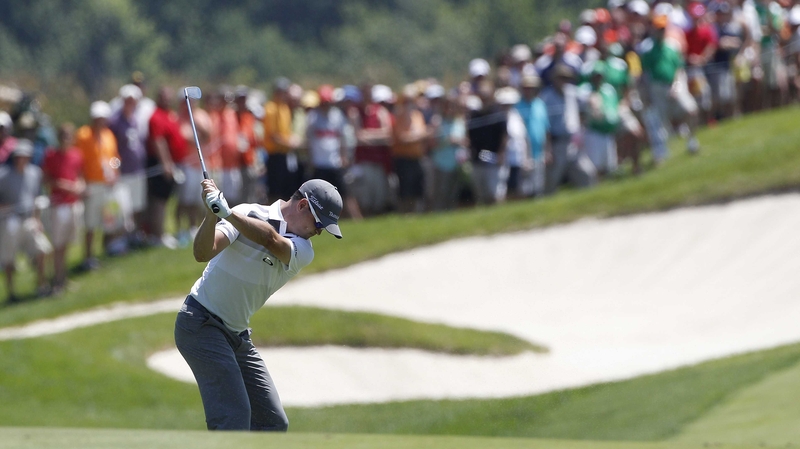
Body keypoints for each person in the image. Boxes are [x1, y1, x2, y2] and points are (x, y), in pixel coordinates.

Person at [174, 177, 343, 431]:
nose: (318, 233)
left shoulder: (303, 249)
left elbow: (271, 241)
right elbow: (202, 253)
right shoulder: (247, 212)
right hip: (199, 324)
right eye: (319, 224)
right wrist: (212, 215)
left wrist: (228, 214)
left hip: (236, 335)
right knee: (233, 418)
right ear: (302, 206)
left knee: (272, 423)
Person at [639, 14, 701, 160]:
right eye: (658, 29)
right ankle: (661, 152)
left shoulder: (673, 45)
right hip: (657, 87)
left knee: (691, 110)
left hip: (676, 84)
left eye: (663, 28)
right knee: (661, 122)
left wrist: (677, 85)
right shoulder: (647, 49)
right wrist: (645, 94)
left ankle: (692, 141)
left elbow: (679, 69)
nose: (660, 31)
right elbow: (644, 74)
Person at [0, 139, 53, 302]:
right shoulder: (3, 175)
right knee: (8, 259)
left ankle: (41, 285)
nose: (20, 159)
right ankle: (11, 292)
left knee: (43, 250)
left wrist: (37, 220)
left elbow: (37, 198)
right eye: (18, 156)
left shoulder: (34, 173)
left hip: (29, 219)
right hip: (10, 221)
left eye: (24, 156)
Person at [75, 101, 121, 269]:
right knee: (91, 223)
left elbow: (115, 158)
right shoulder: (83, 135)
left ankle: (108, 249)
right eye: (97, 117)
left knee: (110, 218)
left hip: (108, 184)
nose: (100, 121)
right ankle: (88, 256)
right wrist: (82, 182)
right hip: (92, 184)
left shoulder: (109, 135)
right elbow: (78, 162)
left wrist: (116, 173)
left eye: (102, 117)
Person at [540, 64, 598, 193]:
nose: (563, 81)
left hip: (573, 141)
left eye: (566, 78)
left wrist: (592, 101)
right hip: (557, 143)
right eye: (560, 78)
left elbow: (587, 99)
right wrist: (547, 149)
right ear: (554, 79)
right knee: (552, 178)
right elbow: (545, 126)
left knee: (587, 173)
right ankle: (546, 203)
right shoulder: (546, 97)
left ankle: (590, 198)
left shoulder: (572, 92)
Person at [42, 124, 84, 293]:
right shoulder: (51, 155)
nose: (65, 139)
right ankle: (57, 280)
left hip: (73, 203)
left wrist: (78, 187)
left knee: (66, 244)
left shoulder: (76, 155)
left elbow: (80, 176)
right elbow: (46, 179)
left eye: (68, 135)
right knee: (58, 245)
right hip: (59, 205)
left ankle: (62, 278)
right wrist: (63, 185)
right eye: (63, 135)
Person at [108, 84, 149, 248]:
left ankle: (134, 236)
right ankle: (118, 240)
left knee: (137, 205)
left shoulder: (136, 118)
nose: (131, 103)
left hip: (138, 169)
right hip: (123, 171)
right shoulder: (115, 121)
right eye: (128, 100)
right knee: (123, 209)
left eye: (133, 101)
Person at [147, 87, 187, 248]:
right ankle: (158, 235)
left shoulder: (170, 114)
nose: (167, 100)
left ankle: (162, 233)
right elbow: (158, 141)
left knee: (166, 199)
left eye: (168, 97)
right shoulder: (156, 116)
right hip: (160, 163)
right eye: (164, 97)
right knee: (159, 200)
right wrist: (166, 163)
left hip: (174, 162)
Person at [391, 84, 429, 213]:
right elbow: (402, 138)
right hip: (403, 159)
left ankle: (416, 214)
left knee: (418, 189)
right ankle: (405, 214)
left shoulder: (417, 115)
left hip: (417, 158)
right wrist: (418, 136)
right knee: (405, 190)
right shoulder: (399, 117)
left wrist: (416, 136)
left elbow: (423, 134)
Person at [263, 77, 302, 203]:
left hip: (286, 154)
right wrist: (289, 143)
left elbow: (285, 131)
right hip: (275, 154)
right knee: (275, 189)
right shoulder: (270, 108)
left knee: (287, 188)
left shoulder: (284, 108)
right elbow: (273, 136)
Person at [515, 73, 549, 197]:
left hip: (539, 151)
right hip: (524, 152)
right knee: (525, 187)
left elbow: (546, 129)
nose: (528, 90)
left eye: (531, 88)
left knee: (538, 185)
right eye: (526, 88)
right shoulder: (517, 106)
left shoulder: (540, 104)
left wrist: (548, 150)